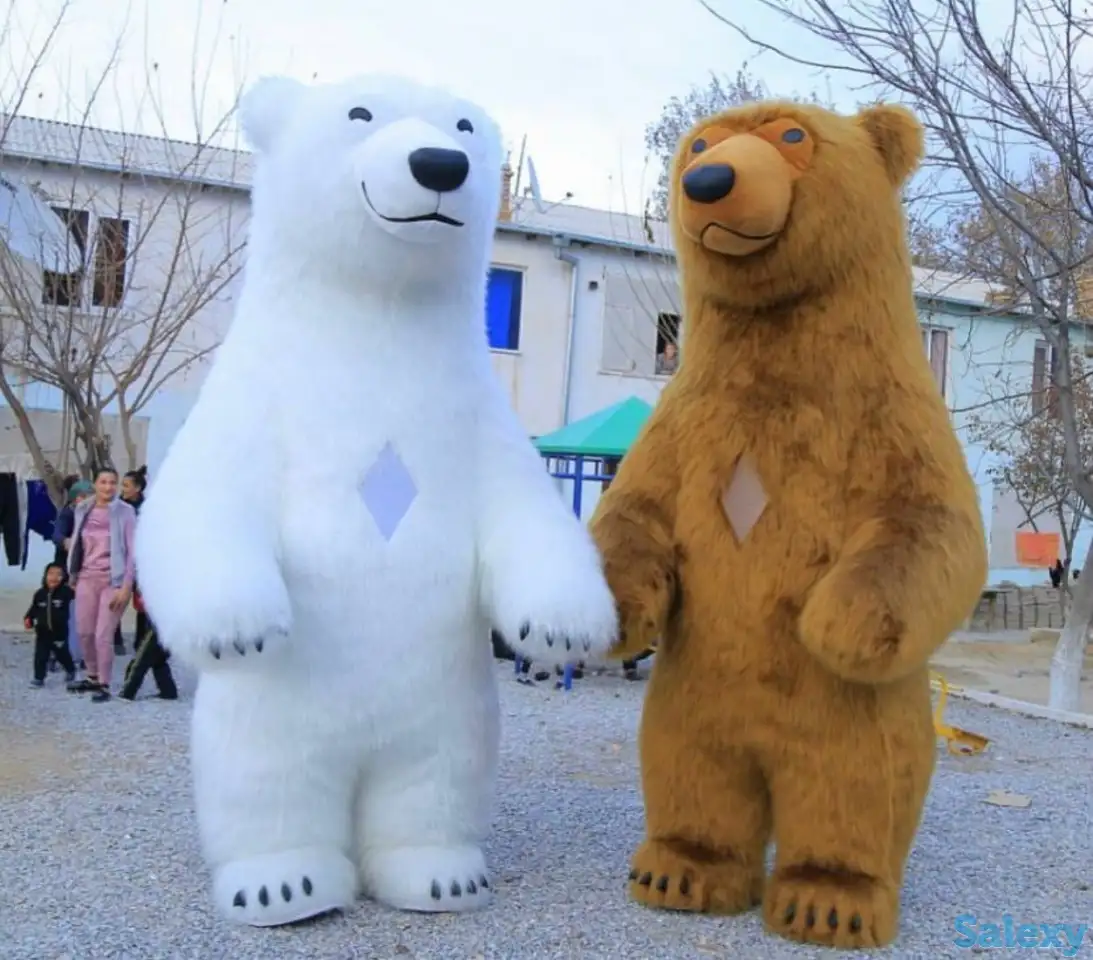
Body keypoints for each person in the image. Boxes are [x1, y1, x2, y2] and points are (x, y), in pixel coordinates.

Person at [66, 467, 136, 703]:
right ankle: (92, 676)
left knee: (102, 634)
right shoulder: (83, 508)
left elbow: (133, 553)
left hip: (113, 581)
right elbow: (77, 541)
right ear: (95, 484)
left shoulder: (125, 512)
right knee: (84, 631)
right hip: (86, 577)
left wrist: (126, 587)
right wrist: (72, 573)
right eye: (103, 482)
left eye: (112, 483)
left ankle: (104, 683)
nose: (108, 487)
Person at [112, 466, 149, 656]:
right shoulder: (116, 507)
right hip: (121, 559)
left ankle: (141, 641)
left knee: (142, 602)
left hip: (141, 561)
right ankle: (115, 638)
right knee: (116, 599)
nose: (123, 489)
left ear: (138, 489)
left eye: (127, 485)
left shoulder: (148, 509)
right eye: (123, 485)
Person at [24, 562, 76, 687]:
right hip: (42, 632)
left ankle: (70, 669)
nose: (54, 577)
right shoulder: (39, 594)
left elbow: (77, 600)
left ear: (64, 577)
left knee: (62, 654)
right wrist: (28, 618)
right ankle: (38, 678)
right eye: (51, 574)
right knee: (40, 656)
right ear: (45, 575)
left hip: (59, 632)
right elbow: (34, 608)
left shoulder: (66, 593)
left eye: (59, 575)